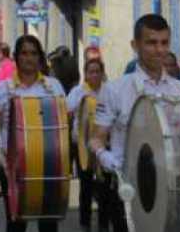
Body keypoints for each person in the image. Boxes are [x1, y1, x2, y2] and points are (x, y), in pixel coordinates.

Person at [91, 14, 180, 230]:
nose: (159, 50)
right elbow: (96, 138)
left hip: (175, 188)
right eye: (151, 42)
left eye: (164, 43)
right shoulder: (114, 90)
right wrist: (106, 157)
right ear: (135, 45)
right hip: (129, 186)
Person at [0, 36, 66, 232]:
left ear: (40, 58)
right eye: (24, 53)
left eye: (33, 53)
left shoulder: (53, 86)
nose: (29, 58)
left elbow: (63, 123)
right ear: (16, 58)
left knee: (48, 223)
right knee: (16, 223)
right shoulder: (4, 88)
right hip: (13, 167)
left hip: (49, 164)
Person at [66, 58, 110, 232]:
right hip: (82, 146)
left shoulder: (109, 92)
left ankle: (104, 224)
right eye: (90, 71)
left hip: (103, 145)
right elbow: (67, 113)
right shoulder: (77, 92)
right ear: (85, 74)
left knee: (104, 185)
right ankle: (85, 223)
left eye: (97, 71)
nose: (94, 74)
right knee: (85, 185)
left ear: (102, 73)